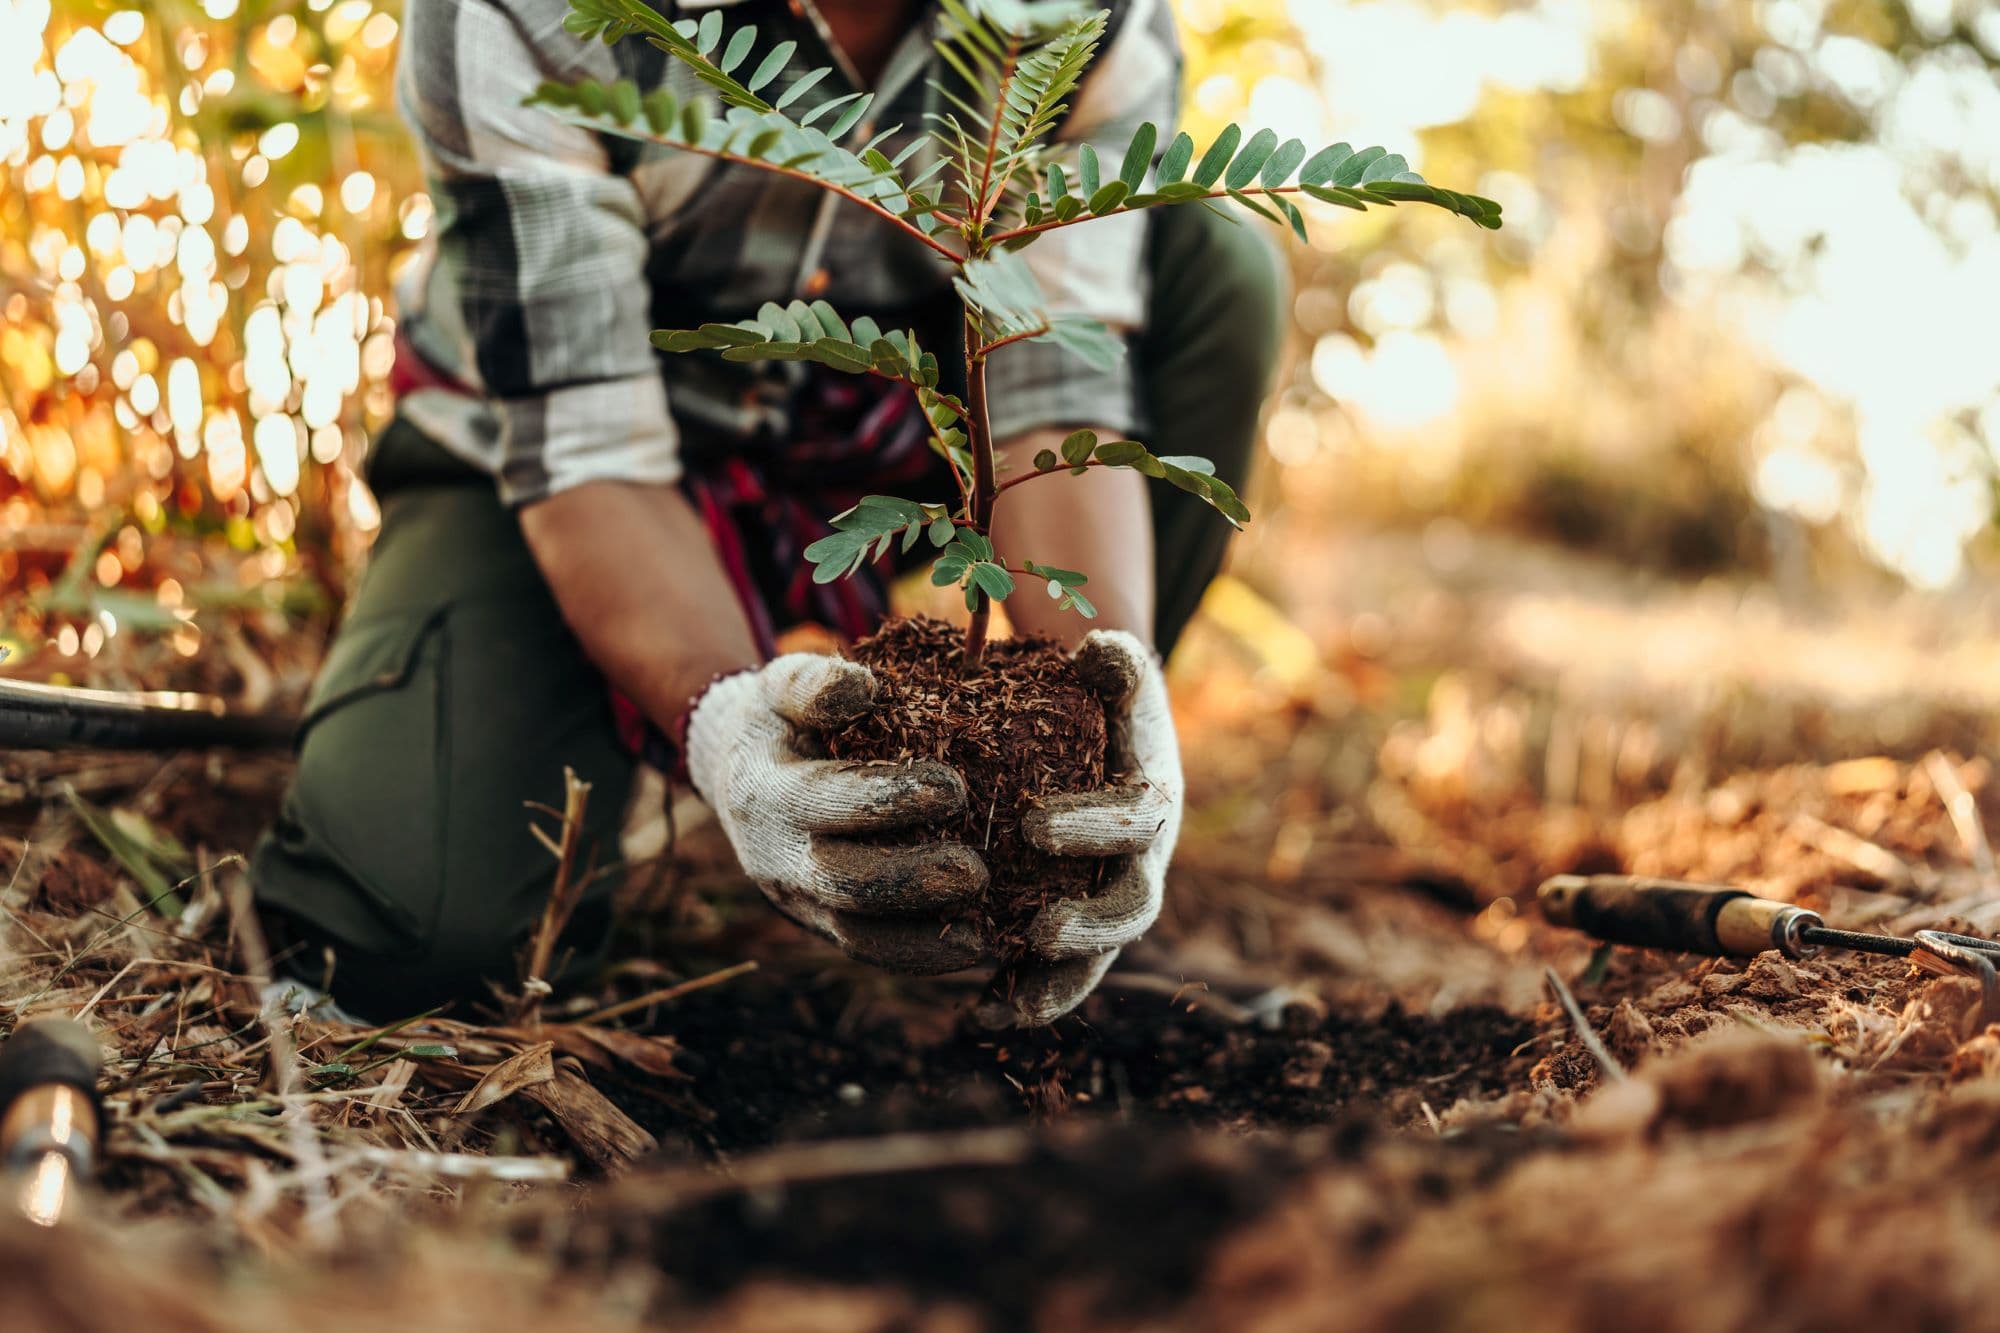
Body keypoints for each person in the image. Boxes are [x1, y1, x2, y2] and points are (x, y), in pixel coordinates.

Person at [251, 0, 1284, 1025]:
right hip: (551, 455)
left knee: (1213, 269)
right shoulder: (529, 14)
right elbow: (588, 451)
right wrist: (728, 739)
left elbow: (1053, 391)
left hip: (880, 425)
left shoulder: (1082, 17)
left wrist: (1106, 703)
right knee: (406, 938)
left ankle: (1060, 870)